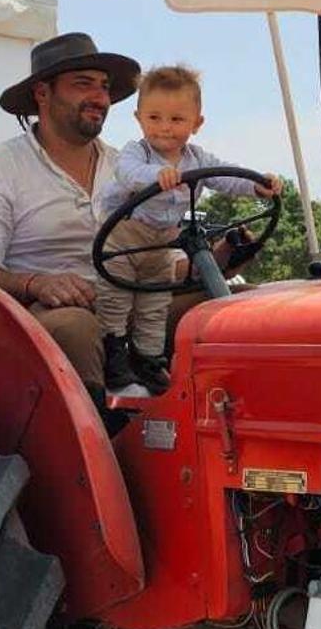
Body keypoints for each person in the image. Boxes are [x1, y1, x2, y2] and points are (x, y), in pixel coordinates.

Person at [0, 31, 140, 404]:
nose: (99, 97)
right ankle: (100, 433)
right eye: (83, 84)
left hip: (127, 306)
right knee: (74, 326)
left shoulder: (128, 170)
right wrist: (37, 284)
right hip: (33, 318)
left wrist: (222, 255)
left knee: (226, 310)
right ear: (42, 93)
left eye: (104, 87)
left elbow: (166, 256)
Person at [94, 64, 280, 393]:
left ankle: (149, 361)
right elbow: (127, 173)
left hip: (162, 243)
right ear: (139, 118)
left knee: (155, 304)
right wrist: (156, 176)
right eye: (154, 118)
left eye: (177, 119)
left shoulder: (197, 159)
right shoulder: (137, 152)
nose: (164, 128)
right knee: (115, 300)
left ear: (197, 123)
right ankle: (115, 358)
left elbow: (226, 176)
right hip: (123, 238)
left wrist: (256, 186)